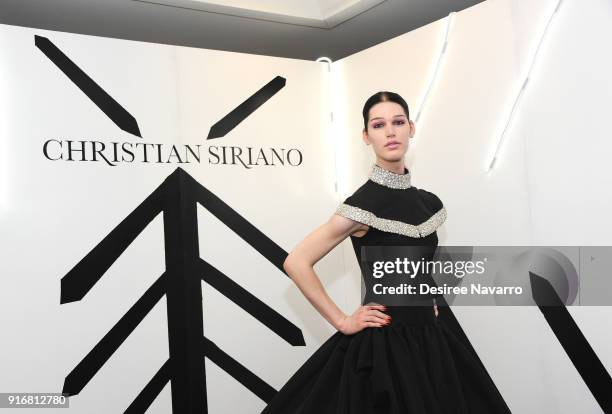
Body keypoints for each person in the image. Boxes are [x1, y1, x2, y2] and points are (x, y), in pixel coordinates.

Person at [260, 91, 511, 413]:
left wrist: (427, 298)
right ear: (366, 137)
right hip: (386, 347)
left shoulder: (428, 202)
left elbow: (418, 266)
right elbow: (297, 262)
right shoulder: (362, 204)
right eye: (379, 125)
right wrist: (342, 320)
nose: (390, 132)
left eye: (398, 122)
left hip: (433, 340)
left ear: (411, 128)